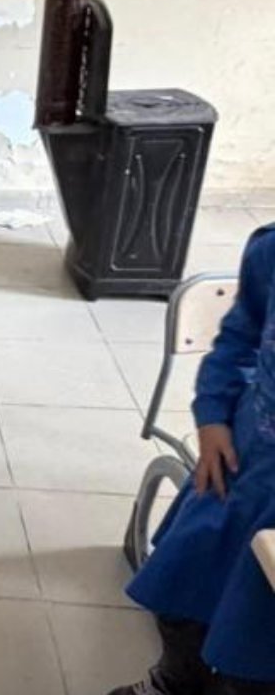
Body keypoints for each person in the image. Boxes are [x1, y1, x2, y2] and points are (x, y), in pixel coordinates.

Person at [111, 226, 275, 695]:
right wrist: (213, 415)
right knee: (183, 591)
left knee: (256, 642)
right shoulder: (270, 250)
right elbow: (240, 338)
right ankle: (175, 681)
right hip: (240, 469)